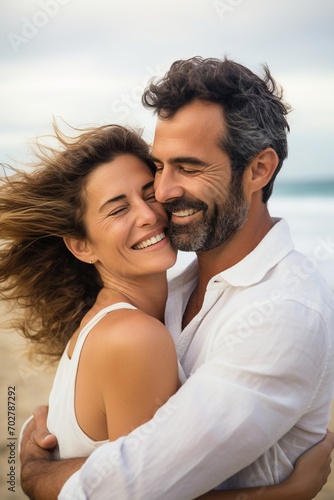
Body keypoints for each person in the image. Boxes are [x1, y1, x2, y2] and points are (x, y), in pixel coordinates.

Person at [19, 56, 334, 499]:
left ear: (259, 170)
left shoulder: (284, 313)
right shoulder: (174, 284)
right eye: (159, 167)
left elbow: (126, 487)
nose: (163, 194)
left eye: (188, 167)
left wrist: (35, 471)